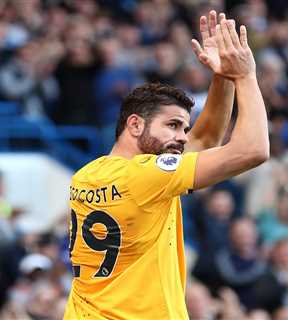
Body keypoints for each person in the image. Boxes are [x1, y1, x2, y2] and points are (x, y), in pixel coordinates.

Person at [63, 11, 269, 320]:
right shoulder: (148, 176)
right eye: (172, 126)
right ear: (134, 125)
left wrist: (222, 75)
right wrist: (245, 76)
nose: (182, 138)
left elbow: (206, 138)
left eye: (184, 128)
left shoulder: (87, 175)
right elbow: (253, 149)